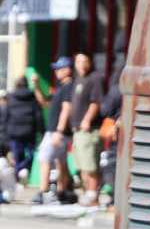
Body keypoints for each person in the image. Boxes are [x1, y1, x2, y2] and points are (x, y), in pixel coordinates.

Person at [37, 56, 77, 201]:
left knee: (44, 158)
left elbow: (66, 108)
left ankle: (43, 192)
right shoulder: (61, 87)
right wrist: (36, 85)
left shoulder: (68, 86)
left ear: (67, 70)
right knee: (61, 162)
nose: (56, 72)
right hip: (57, 131)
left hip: (57, 131)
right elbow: (45, 103)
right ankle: (62, 191)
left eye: (59, 69)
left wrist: (59, 131)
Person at [67, 54, 106, 202]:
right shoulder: (77, 80)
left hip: (88, 130)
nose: (82, 64)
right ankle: (87, 195)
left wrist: (87, 120)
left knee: (90, 166)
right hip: (77, 130)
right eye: (78, 61)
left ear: (90, 63)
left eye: (85, 61)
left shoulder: (94, 78)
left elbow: (95, 102)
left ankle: (93, 196)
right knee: (82, 165)